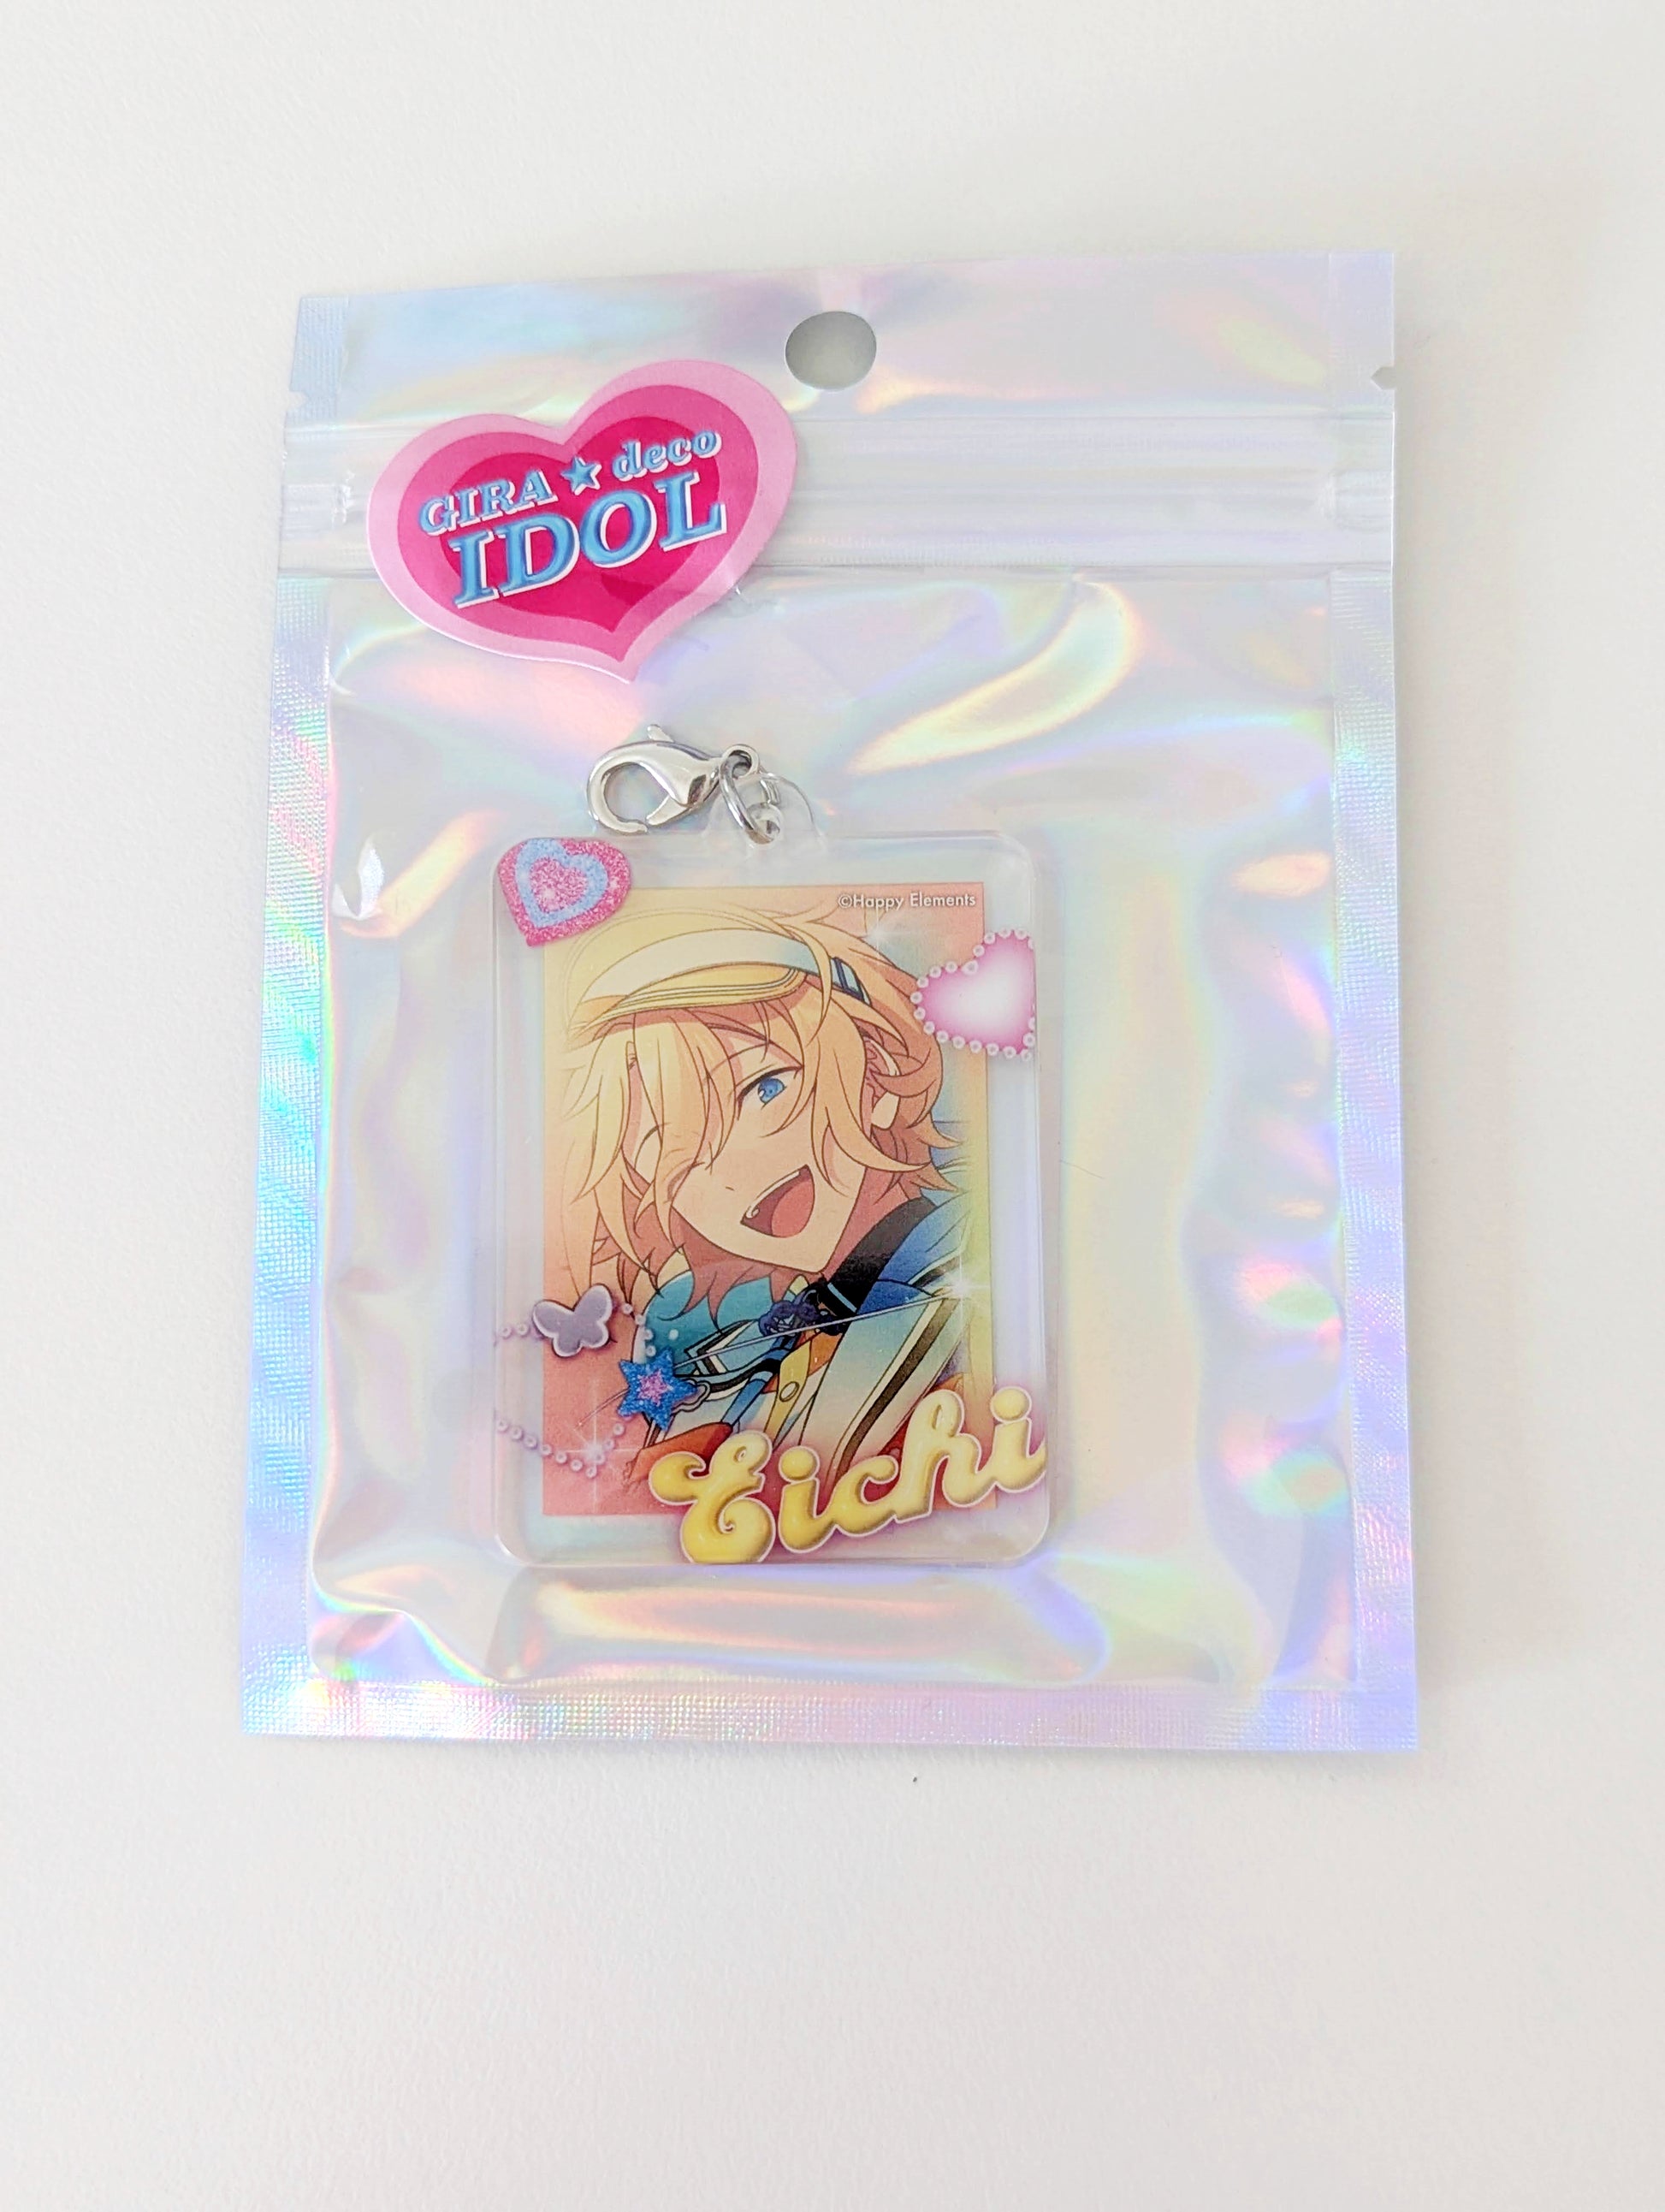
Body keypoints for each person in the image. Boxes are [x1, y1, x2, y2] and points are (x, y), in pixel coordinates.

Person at [547, 899, 967, 1484]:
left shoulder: (964, 1282)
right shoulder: (748, 1348)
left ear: (877, 1073)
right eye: (674, 1152)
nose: (734, 1168)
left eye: (765, 1088)